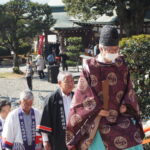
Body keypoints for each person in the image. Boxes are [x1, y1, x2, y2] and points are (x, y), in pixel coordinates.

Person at [66, 25, 144, 150]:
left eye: (116, 50)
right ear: (101, 48)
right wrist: (95, 109)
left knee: (133, 137)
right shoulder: (90, 67)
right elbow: (82, 95)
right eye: (111, 50)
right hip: (99, 119)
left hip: (121, 116)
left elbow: (129, 87)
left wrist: (126, 104)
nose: (114, 53)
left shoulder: (121, 63)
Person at [37, 72, 74, 150]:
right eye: (67, 81)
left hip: (74, 138)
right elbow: (45, 120)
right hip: (58, 139)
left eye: (72, 81)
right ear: (59, 83)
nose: (71, 84)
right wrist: (45, 141)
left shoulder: (76, 97)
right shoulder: (51, 98)